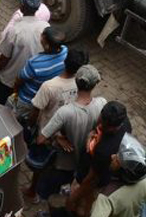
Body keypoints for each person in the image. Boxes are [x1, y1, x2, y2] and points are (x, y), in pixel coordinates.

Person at [23, 50, 87, 202]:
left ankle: (33, 192)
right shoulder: (83, 85)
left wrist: (30, 127)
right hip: (68, 133)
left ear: (64, 62)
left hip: (46, 133)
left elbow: (35, 111)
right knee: (56, 165)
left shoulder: (49, 86)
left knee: (41, 164)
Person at [35, 65, 106, 202]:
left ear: (76, 82)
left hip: (65, 163)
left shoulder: (65, 112)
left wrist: (56, 138)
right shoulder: (102, 103)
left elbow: (41, 140)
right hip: (85, 164)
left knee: (51, 191)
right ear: (95, 84)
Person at [68, 101, 134, 216]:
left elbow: (91, 178)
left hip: (96, 175)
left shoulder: (105, 149)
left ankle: (80, 211)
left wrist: (74, 197)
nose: (100, 124)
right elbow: (99, 125)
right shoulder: (124, 122)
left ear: (113, 128)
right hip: (100, 168)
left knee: (87, 200)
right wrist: (93, 132)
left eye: (104, 124)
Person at [0, 0, 49, 104]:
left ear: (22, 7)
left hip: (9, 80)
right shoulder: (46, 27)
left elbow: (4, 58)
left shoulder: (14, 30)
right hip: (28, 80)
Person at [90, 135, 146, 217]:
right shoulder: (144, 181)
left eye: (117, 160)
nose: (112, 156)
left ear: (123, 172)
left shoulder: (106, 199)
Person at [15, 27, 68, 119]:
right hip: (45, 101)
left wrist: (15, 90)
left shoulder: (35, 63)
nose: (40, 37)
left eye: (42, 36)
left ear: (46, 44)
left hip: (28, 99)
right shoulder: (65, 51)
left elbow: (20, 79)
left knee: (16, 120)